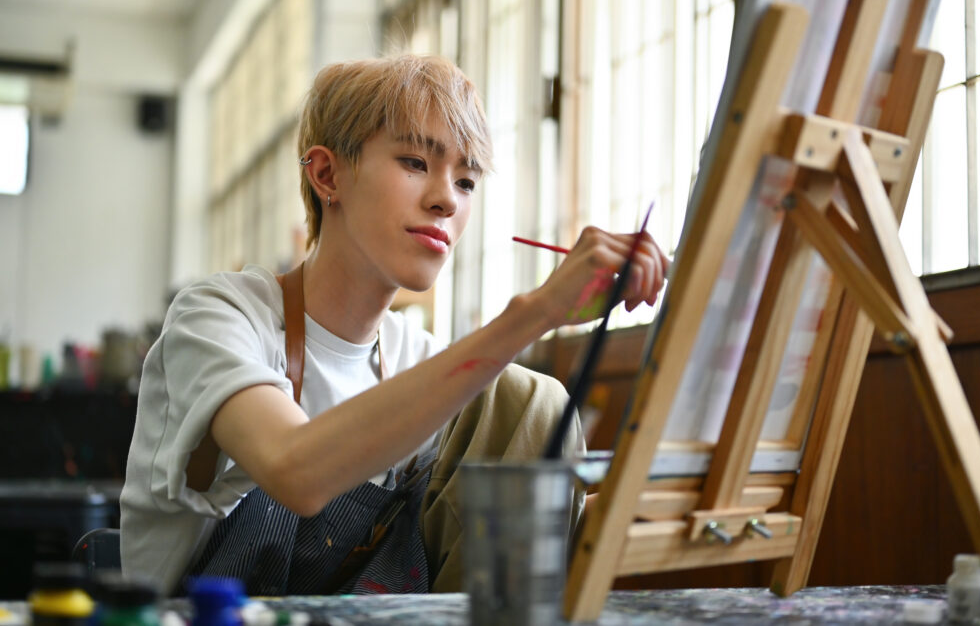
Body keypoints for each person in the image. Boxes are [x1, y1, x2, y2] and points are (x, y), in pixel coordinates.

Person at [119, 54, 669, 596]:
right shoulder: (219, 316)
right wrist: (540, 311)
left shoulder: (419, 359)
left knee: (531, 402)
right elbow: (296, 470)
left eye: (468, 181)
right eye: (415, 162)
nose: (446, 200)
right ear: (327, 174)